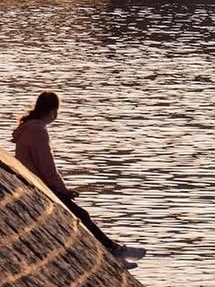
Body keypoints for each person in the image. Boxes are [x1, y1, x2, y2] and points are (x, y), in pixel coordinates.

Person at [12, 91, 145, 266]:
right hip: (39, 185)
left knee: (81, 215)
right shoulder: (38, 131)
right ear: (53, 111)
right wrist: (62, 190)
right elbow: (46, 166)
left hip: (32, 182)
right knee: (81, 215)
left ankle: (115, 250)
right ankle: (115, 252)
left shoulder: (29, 127)